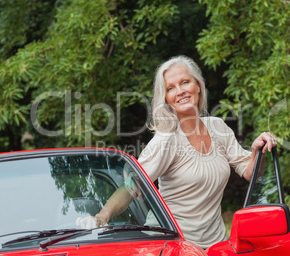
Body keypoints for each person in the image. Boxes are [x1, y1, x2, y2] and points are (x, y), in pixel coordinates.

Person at [94, 55, 277, 248]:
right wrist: (102, 216)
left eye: (184, 82)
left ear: (198, 85)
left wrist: (257, 151)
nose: (180, 91)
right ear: (166, 99)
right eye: (170, 88)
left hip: (216, 244)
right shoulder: (167, 139)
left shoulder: (218, 128)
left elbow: (251, 173)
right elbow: (131, 186)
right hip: (173, 244)